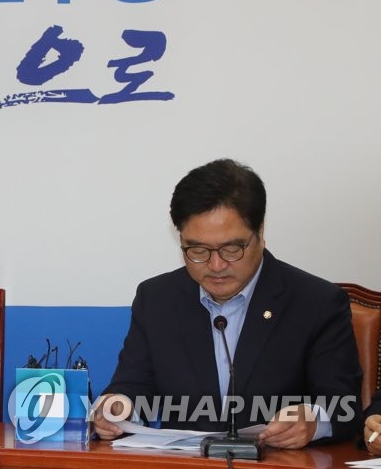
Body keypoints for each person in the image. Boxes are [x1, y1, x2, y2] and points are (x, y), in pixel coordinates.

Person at [92, 158, 362, 449]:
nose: (216, 265)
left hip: (276, 462)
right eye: (198, 250)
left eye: (232, 248)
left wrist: (313, 420)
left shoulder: (316, 302)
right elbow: (133, 385)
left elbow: (345, 406)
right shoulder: (157, 299)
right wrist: (118, 407)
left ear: (260, 234)